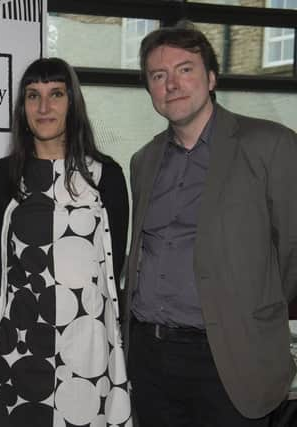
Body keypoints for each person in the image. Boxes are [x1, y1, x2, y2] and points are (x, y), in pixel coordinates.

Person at [125, 22, 297, 426]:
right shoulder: (143, 161)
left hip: (231, 359)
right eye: (158, 75)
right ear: (149, 88)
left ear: (212, 77)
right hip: (151, 359)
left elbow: (292, 250)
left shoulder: (270, 145)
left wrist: (252, 308)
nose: (172, 84)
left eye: (185, 69)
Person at [0, 57, 131, 426]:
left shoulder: (105, 178)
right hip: (20, 345)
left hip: (89, 353)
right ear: (22, 108)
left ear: (72, 102)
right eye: (33, 96)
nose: (44, 107)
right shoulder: (1, 179)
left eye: (56, 94)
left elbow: (112, 270)